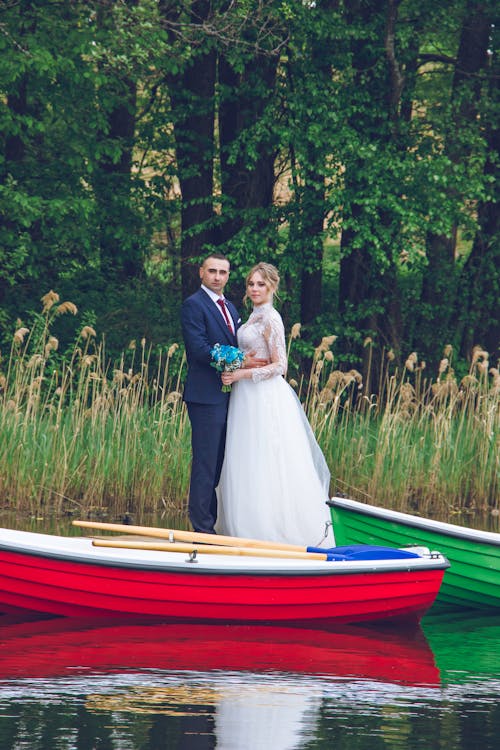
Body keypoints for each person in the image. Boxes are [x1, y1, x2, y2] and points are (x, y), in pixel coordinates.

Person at [215, 262, 335, 547]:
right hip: (244, 397)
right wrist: (237, 364)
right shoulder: (250, 317)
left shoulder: (272, 318)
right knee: (246, 459)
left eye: (261, 284)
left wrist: (241, 374)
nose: (255, 289)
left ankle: (275, 530)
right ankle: (244, 528)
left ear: (272, 287)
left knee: (267, 458)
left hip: (264, 396)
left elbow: (280, 366)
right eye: (251, 284)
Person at [181, 253, 267, 534]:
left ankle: (214, 523)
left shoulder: (230, 307)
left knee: (220, 463)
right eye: (213, 271)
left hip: (231, 395)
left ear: (228, 275)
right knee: (205, 463)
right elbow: (199, 349)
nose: (218, 276)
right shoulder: (194, 305)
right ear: (201, 273)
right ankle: (202, 530)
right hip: (205, 396)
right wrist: (240, 361)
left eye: (223, 272)